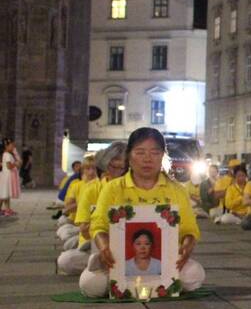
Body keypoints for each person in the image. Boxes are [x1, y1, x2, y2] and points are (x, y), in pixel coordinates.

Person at [82, 127, 205, 298]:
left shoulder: (177, 190)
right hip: (117, 261)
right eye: (140, 152)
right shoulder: (113, 188)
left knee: (194, 275)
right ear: (129, 157)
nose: (147, 159)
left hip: (166, 262)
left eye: (155, 152)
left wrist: (187, 246)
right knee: (90, 285)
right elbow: (98, 224)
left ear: (162, 156)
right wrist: (104, 247)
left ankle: (160, 285)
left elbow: (190, 229)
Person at [57, 142, 127, 275]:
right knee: (66, 261)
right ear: (105, 165)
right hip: (97, 246)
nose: (118, 172)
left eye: (122, 168)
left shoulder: (133, 188)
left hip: (129, 247)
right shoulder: (90, 190)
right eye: (113, 166)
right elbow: (84, 231)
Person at [57, 155, 99, 247]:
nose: (91, 172)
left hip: (91, 227)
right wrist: (83, 204)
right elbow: (68, 208)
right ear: (83, 170)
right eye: (88, 169)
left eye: (94, 169)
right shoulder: (76, 184)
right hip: (75, 222)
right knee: (62, 228)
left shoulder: (100, 185)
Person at [0, 138, 20, 216]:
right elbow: (8, 166)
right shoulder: (7, 154)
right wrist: (15, 164)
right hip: (6, 176)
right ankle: (6, 209)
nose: (13, 147)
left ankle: (7, 209)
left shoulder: (7, 154)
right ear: (6, 146)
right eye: (11, 146)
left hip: (6, 176)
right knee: (3, 194)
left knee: (6, 194)